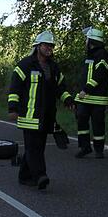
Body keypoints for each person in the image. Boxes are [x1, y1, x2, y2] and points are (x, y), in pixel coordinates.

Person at [8, 31, 74, 190]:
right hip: (29, 116)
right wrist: (12, 108)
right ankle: (40, 176)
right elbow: (14, 88)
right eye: (46, 45)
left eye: (51, 45)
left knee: (37, 147)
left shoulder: (53, 67)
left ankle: (24, 175)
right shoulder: (25, 65)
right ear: (38, 46)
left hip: (46, 116)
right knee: (34, 148)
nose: (49, 48)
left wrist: (68, 100)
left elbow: (61, 87)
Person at [75, 27, 108, 159]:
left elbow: (100, 73)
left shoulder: (102, 54)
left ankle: (99, 150)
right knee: (82, 122)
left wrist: (86, 89)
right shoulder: (90, 55)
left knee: (98, 124)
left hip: (97, 98)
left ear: (91, 40)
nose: (85, 41)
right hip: (84, 98)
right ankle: (85, 148)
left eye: (87, 39)